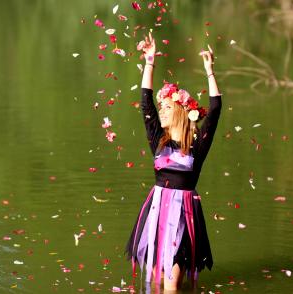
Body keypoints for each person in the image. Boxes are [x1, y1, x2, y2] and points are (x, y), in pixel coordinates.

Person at [126, 32, 222, 291]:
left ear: (181, 111)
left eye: (167, 107)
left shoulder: (197, 147)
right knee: (156, 285)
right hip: (157, 214)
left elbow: (214, 112)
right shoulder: (158, 140)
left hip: (184, 216)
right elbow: (145, 103)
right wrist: (149, 62)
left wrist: (209, 71)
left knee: (171, 288)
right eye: (162, 107)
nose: (161, 110)